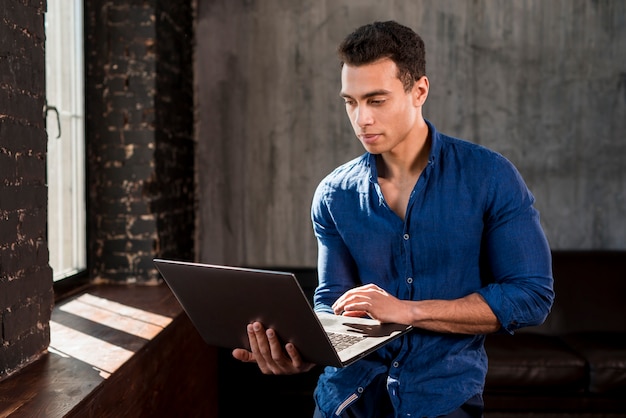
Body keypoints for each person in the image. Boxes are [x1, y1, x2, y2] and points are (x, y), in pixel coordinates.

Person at [232, 20, 554, 418]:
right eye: (350, 101)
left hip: (441, 399)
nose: (361, 118)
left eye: (376, 100)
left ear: (418, 91)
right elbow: (333, 301)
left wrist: (409, 310)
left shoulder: (489, 176)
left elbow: (531, 296)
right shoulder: (334, 194)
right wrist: (302, 350)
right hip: (344, 398)